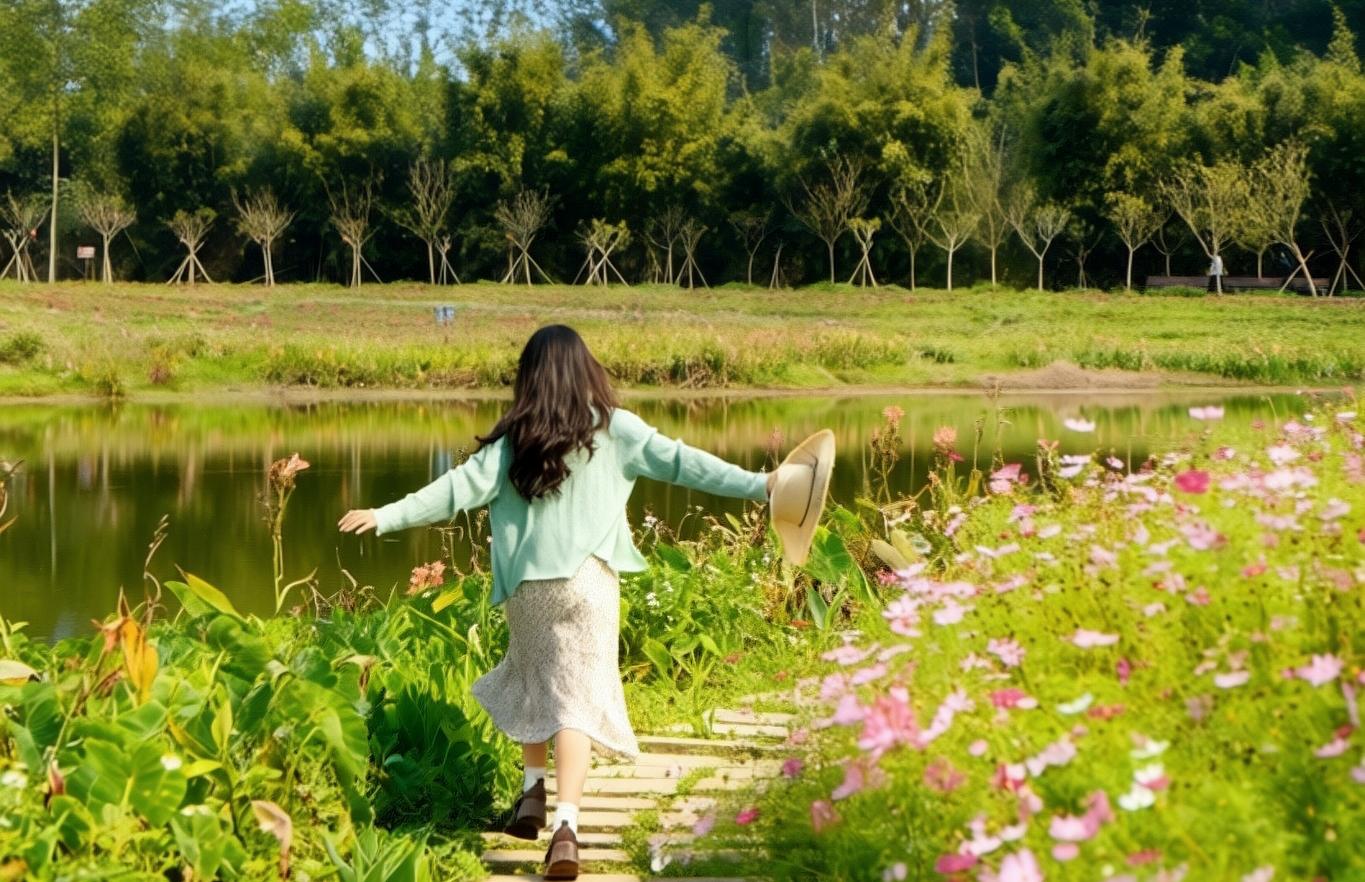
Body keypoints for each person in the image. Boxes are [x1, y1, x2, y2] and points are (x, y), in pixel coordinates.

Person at [338, 325, 777, 881]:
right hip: (591, 581)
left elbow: (451, 491)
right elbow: (688, 464)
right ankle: (565, 827)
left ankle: (530, 794)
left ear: (529, 377)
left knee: (535, 678)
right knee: (574, 700)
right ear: (587, 370)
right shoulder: (617, 431)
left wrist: (386, 515)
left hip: (529, 591)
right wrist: (761, 484)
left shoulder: (512, 442)